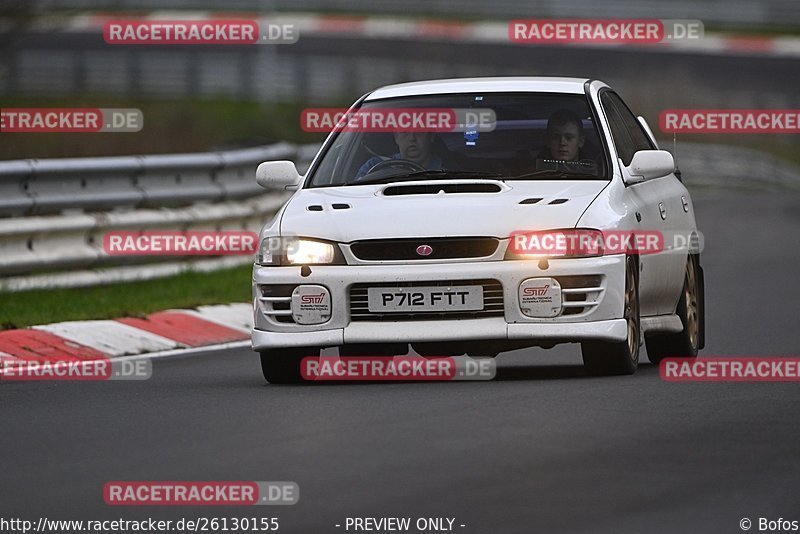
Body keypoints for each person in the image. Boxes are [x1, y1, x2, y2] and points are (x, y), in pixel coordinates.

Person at [355, 131, 442, 179]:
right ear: (396, 137)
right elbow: (357, 193)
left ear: (431, 136)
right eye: (404, 132)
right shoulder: (373, 166)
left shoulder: (449, 169)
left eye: (419, 132)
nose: (412, 138)